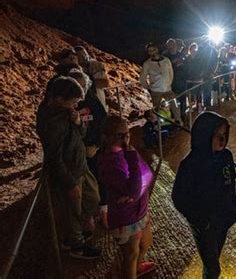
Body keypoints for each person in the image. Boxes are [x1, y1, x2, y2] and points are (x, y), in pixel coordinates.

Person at [36, 76, 101, 259]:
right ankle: (76, 245)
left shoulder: (66, 111)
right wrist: (70, 183)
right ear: (59, 99)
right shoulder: (51, 122)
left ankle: (75, 234)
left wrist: (78, 122)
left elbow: (80, 134)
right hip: (70, 172)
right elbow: (54, 156)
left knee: (93, 198)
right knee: (73, 210)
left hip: (80, 164)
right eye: (73, 101)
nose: (76, 105)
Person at [172, 112, 236, 279]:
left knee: (214, 256)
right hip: (204, 224)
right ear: (204, 136)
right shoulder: (190, 165)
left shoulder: (226, 156)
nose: (222, 140)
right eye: (217, 136)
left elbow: (231, 180)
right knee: (213, 267)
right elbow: (179, 198)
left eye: (224, 135)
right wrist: (201, 221)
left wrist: (232, 204)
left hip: (222, 219)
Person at [98, 116, 155, 278]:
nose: (125, 138)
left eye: (127, 133)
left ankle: (137, 268)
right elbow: (135, 188)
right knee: (131, 255)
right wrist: (133, 192)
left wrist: (134, 194)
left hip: (139, 209)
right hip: (126, 217)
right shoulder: (110, 163)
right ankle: (132, 271)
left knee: (146, 243)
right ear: (106, 137)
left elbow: (144, 175)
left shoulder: (127, 150)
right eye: (119, 135)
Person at [69, 66, 110, 228]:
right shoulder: (68, 106)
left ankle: (104, 213)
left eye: (82, 85)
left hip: (94, 149)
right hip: (77, 154)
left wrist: (96, 145)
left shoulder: (92, 101)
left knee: (101, 180)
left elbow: (103, 123)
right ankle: (88, 216)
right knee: (83, 188)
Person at [139, 43, 182, 125]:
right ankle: (160, 125)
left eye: (154, 49)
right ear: (148, 53)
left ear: (157, 49)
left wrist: (169, 83)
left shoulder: (166, 60)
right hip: (156, 91)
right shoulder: (147, 64)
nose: (153, 52)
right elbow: (142, 78)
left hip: (167, 89)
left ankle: (178, 120)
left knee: (175, 104)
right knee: (157, 109)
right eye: (150, 51)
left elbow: (171, 73)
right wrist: (149, 88)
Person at [74, 45, 110, 112]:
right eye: (80, 56)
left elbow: (104, 83)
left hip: (98, 103)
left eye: (85, 54)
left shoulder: (96, 65)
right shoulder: (75, 69)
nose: (84, 57)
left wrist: (84, 82)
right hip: (85, 106)